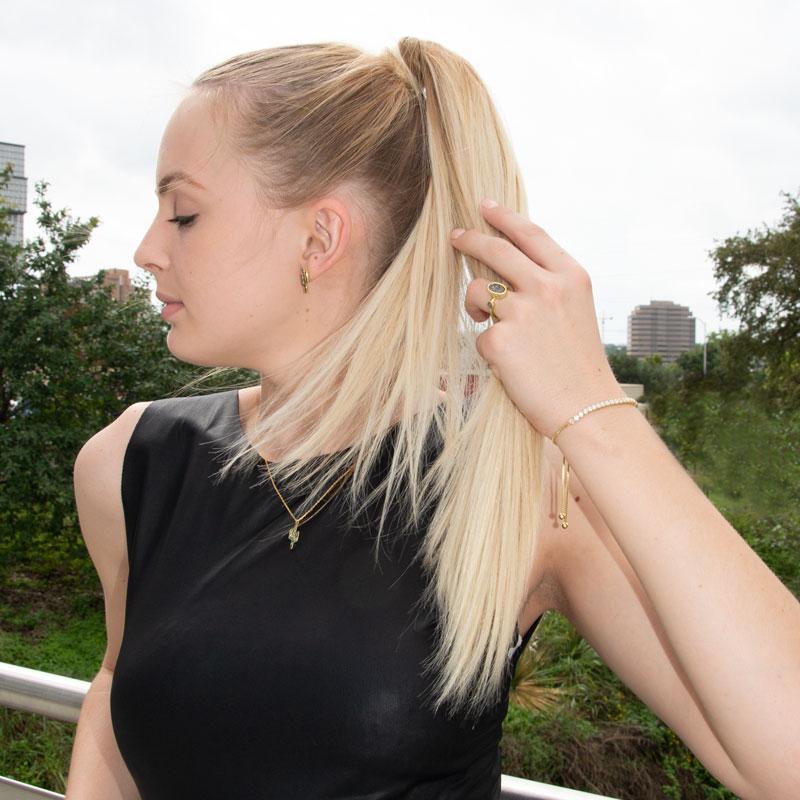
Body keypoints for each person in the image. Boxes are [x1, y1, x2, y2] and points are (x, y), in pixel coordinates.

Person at [64, 37, 800, 800]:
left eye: (183, 214)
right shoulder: (131, 463)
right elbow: (115, 695)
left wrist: (592, 408)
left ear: (319, 238)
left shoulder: (517, 491)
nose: (146, 250)